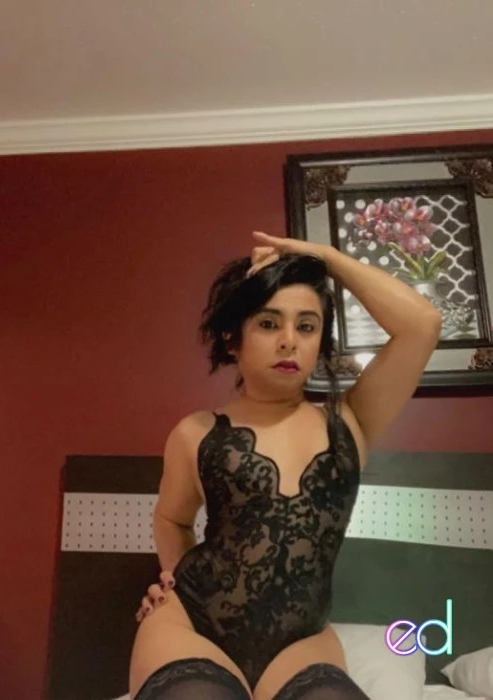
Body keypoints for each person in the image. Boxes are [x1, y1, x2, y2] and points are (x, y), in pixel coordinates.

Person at [129, 230, 442, 700]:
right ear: (233, 338)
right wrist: (171, 578)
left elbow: (422, 323)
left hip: (301, 644)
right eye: (268, 323)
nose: (289, 342)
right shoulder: (195, 433)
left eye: (307, 326)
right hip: (192, 627)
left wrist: (324, 257)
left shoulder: (350, 422)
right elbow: (172, 518)